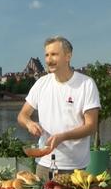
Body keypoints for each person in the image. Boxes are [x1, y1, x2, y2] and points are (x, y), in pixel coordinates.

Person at [17, 36, 101, 180]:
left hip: (75, 167)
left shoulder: (86, 84)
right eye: (47, 55)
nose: (49, 60)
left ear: (68, 56)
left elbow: (91, 126)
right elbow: (22, 115)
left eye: (54, 54)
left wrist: (63, 137)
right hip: (44, 164)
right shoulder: (41, 83)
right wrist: (29, 123)